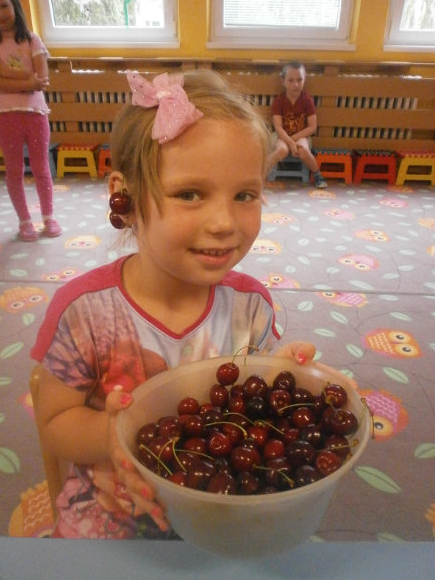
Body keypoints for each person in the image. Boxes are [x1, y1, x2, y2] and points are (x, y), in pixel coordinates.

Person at [30, 68, 316, 539]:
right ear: (124, 195)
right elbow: (54, 423)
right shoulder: (83, 312)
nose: (224, 223)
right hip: (114, 514)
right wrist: (111, 435)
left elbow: (252, 413)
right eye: (190, 194)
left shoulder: (251, 308)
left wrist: (282, 380)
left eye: (245, 194)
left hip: (220, 514)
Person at [0, 0, 61, 241]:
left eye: (3, 5)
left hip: (35, 115)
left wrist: (5, 74)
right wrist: (26, 81)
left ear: (15, 5)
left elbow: (41, 79)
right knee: (14, 170)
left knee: (41, 168)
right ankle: (24, 221)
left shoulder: (31, 39)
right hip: (6, 117)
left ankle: (49, 217)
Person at [270, 61, 327, 189]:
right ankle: (260, 172)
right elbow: (278, 127)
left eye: (299, 80)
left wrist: (293, 139)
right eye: (290, 80)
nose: (295, 84)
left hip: (301, 136)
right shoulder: (279, 101)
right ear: (283, 81)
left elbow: (312, 127)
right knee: (282, 150)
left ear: (304, 79)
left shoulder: (307, 100)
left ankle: (317, 174)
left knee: (304, 150)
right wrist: (289, 142)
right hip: (282, 136)